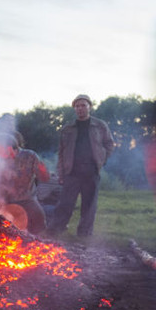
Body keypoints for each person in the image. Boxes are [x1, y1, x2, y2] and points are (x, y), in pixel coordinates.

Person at [46, 95, 114, 237]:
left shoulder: (99, 126)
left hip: (91, 171)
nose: (80, 108)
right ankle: (56, 229)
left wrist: (101, 160)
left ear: (89, 106)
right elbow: (62, 152)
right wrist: (61, 173)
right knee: (65, 203)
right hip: (72, 172)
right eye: (77, 106)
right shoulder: (67, 128)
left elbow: (109, 144)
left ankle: (84, 234)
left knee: (89, 205)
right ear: (74, 109)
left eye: (83, 105)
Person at [0, 132, 50, 233]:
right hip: (6, 201)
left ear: (9, 148)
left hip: (27, 199)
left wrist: (43, 171)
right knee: (0, 228)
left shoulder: (29, 156)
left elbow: (44, 178)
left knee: (39, 222)